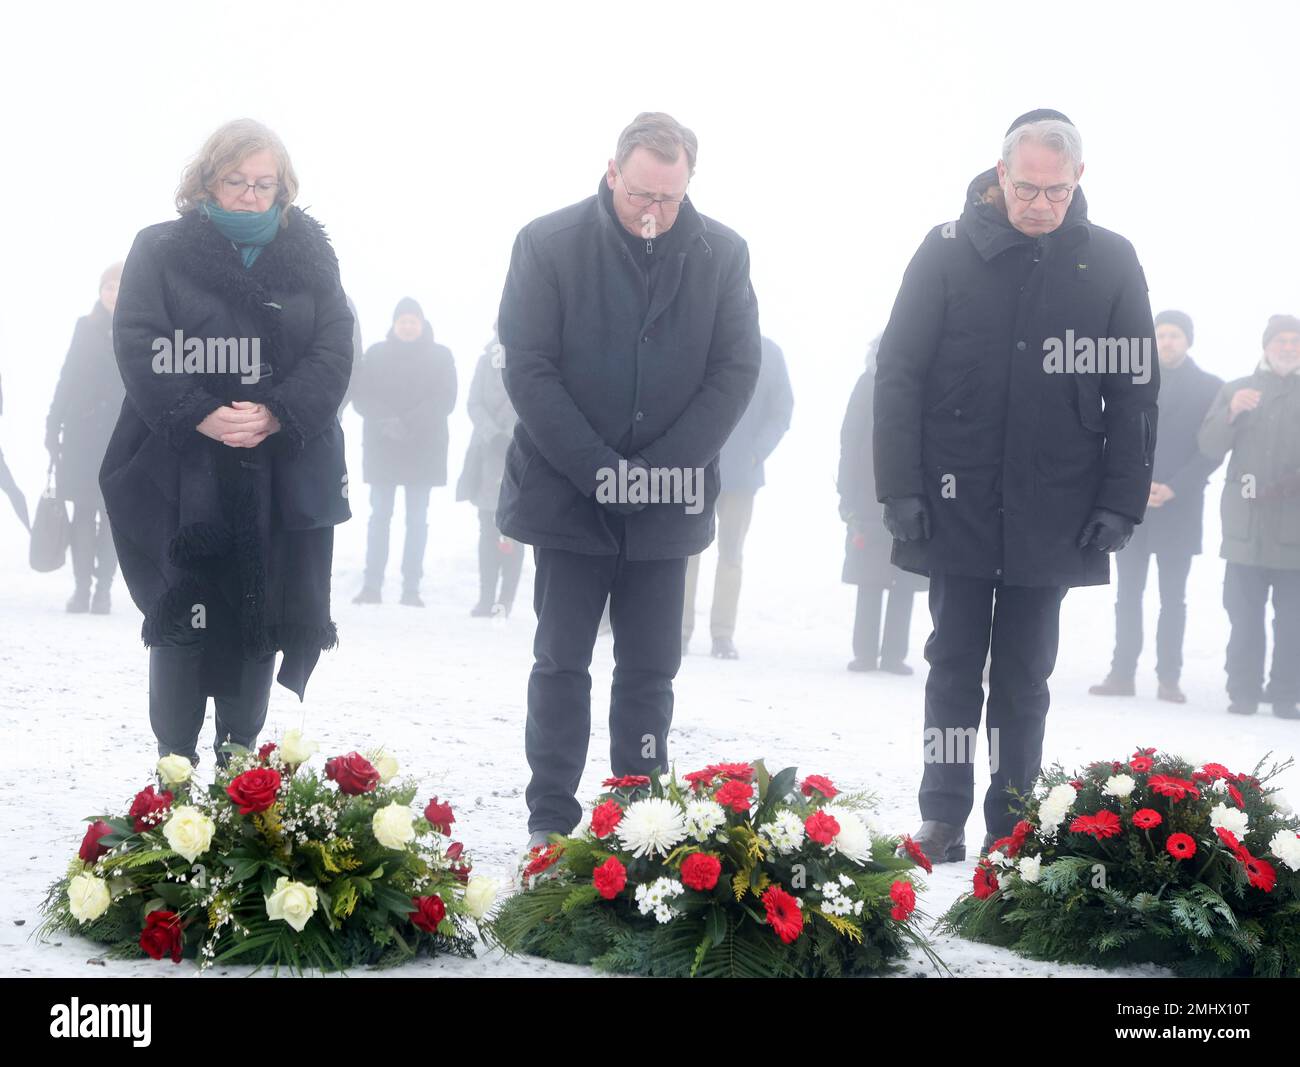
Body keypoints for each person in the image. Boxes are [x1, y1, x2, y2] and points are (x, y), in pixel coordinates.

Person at [873, 110, 1158, 862]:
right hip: (953, 500)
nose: (1039, 203)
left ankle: (1015, 818)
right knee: (954, 661)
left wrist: (1121, 500)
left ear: (1079, 181)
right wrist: (899, 486)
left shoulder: (1112, 261)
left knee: (1027, 672)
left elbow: (1134, 393)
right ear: (1001, 175)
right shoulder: (943, 252)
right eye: (1027, 187)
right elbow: (898, 373)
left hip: (1056, 505)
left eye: (1055, 191)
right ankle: (941, 813)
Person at [496, 112, 761, 850]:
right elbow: (529, 366)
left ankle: (637, 814)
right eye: (641, 192)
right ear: (612, 170)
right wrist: (601, 470)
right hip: (567, 494)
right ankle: (550, 814)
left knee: (650, 668)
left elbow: (735, 372)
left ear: (688, 186)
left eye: (669, 199)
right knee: (561, 662)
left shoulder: (724, 254)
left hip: (668, 503)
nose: (653, 211)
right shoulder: (546, 244)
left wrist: (662, 470)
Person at [101, 118, 354, 768]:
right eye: (235, 180)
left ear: (282, 187)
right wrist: (200, 413)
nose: (249, 193)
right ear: (207, 182)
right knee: (182, 614)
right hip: (181, 468)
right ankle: (173, 772)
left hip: (278, 472)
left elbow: (333, 348)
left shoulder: (311, 255)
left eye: (262, 183)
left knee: (257, 616)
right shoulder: (159, 248)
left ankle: (240, 773)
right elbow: (138, 337)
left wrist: (277, 411)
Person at [1090, 310, 1222, 702]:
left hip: (1180, 508)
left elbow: (1212, 450)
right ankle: (1122, 673)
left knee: (1173, 599)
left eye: (1175, 335)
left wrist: (1176, 487)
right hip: (1132, 505)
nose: (1167, 341)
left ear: (1188, 340)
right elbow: (1114, 435)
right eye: (1161, 335)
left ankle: (1169, 678)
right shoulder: (1133, 381)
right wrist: (1136, 486)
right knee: (1127, 594)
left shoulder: (1211, 388)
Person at [1197, 314, 1300, 720]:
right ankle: (1242, 691)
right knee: (1243, 617)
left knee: (1293, 620)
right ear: (1266, 345)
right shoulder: (1238, 389)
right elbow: (1208, 447)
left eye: (1295, 340)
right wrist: (1231, 415)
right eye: (1281, 340)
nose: (1288, 347)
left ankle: (1287, 694)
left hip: (1295, 529)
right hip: (1245, 527)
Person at [682, 334, 792, 659]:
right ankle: (678, 631)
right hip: (696, 469)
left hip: (741, 475)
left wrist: (756, 453)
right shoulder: (703, 340)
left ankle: (722, 635)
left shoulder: (769, 353)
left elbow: (782, 411)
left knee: (731, 556)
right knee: (685, 551)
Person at [350, 298, 457, 606]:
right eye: (403, 321)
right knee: (379, 517)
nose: (408, 326)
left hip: (424, 449)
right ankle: (372, 586)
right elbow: (361, 396)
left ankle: (412, 589)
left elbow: (446, 399)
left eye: (413, 321)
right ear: (394, 324)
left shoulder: (441, 356)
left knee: (417, 519)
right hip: (383, 448)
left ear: (421, 324)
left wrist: (408, 423)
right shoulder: (376, 354)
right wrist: (388, 422)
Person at [839, 335, 926, 673]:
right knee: (869, 576)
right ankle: (864, 653)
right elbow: (849, 440)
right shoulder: (866, 386)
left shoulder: (917, 385)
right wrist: (847, 493)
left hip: (909, 493)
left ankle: (894, 655)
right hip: (867, 495)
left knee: (904, 576)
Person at [45, 263, 125, 613]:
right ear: (100, 290)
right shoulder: (84, 327)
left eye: (119, 286)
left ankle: (103, 592)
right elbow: (68, 376)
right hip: (80, 434)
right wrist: (52, 425)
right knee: (82, 512)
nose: (112, 292)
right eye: (108, 286)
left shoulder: (137, 327)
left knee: (111, 515)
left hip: (119, 435)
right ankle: (81, 589)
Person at [456, 323, 524, 617]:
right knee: (487, 527)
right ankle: (485, 597)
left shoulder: (534, 356)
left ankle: (504, 601)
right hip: (487, 453)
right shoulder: (486, 360)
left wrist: (512, 436)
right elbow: (474, 403)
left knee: (515, 529)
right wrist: (493, 435)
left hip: (521, 452)